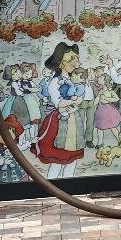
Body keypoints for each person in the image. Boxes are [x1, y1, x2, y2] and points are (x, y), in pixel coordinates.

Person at [32, 42, 91, 177]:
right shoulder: (55, 81)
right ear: (61, 63)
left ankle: (69, 183)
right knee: (57, 159)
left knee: (72, 159)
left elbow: (82, 95)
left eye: (76, 59)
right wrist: (72, 101)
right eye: (71, 60)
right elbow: (58, 102)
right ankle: (51, 185)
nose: (75, 63)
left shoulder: (74, 79)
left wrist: (77, 101)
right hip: (58, 121)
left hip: (73, 120)